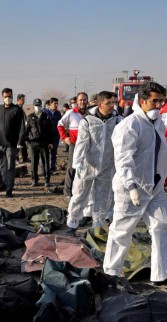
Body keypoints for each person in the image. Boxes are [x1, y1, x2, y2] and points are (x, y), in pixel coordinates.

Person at [103, 82, 167, 286]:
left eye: (161, 101)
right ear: (142, 101)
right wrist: (131, 186)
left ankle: (161, 275)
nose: (159, 106)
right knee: (121, 230)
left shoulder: (157, 122)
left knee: (165, 225)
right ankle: (111, 272)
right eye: (154, 101)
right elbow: (123, 158)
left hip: (154, 188)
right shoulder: (130, 125)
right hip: (131, 188)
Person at [66, 91, 121, 235]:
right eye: (109, 103)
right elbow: (81, 143)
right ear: (99, 103)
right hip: (88, 165)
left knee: (103, 198)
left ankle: (97, 227)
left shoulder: (117, 121)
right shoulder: (88, 121)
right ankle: (72, 224)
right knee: (79, 195)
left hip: (107, 166)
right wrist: (77, 163)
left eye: (113, 103)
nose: (112, 106)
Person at [0, 88, 25, 198]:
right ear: (2, 97)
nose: (7, 98)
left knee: (10, 167)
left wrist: (20, 141)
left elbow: (22, 127)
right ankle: (0, 184)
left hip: (11, 144)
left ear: (12, 96)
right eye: (5, 96)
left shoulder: (17, 110)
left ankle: (9, 189)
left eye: (9, 96)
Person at [58, 92, 88, 198]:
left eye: (84, 99)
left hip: (87, 146)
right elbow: (60, 125)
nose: (82, 102)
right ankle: (67, 191)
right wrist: (65, 138)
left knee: (86, 168)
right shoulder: (71, 113)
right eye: (80, 100)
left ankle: (81, 190)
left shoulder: (90, 114)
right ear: (77, 101)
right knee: (71, 167)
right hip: (74, 145)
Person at [25, 98, 53, 187]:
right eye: (36, 106)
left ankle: (47, 179)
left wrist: (50, 142)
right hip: (33, 143)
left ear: (42, 106)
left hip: (44, 143)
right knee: (34, 163)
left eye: (39, 105)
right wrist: (28, 141)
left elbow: (50, 131)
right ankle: (34, 180)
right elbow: (26, 131)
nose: (38, 107)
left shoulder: (46, 116)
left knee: (46, 162)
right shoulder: (30, 117)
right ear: (33, 106)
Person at [43, 97, 62, 172]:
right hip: (46, 136)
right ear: (50, 104)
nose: (56, 105)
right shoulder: (45, 112)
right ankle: (44, 168)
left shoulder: (58, 113)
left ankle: (52, 168)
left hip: (55, 136)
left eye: (57, 103)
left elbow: (60, 124)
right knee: (45, 153)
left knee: (54, 152)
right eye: (55, 103)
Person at [16, 94, 29, 163]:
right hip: (18, 130)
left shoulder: (21, 108)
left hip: (23, 130)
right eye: (23, 99)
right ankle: (16, 158)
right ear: (19, 100)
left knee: (23, 145)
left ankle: (25, 157)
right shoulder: (16, 108)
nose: (24, 101)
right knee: (18, 144)